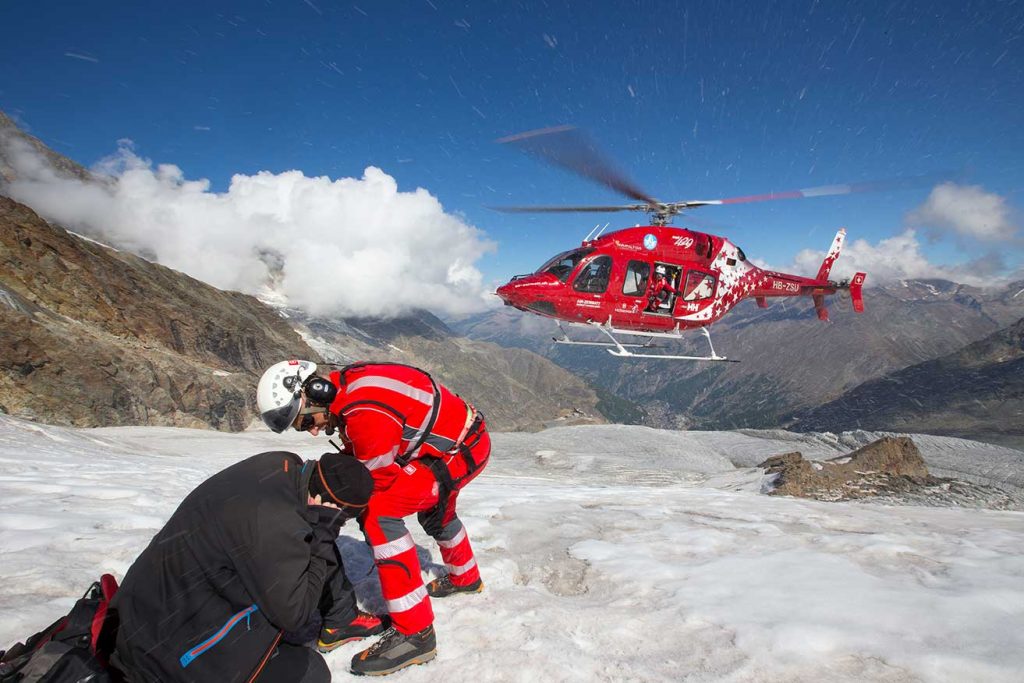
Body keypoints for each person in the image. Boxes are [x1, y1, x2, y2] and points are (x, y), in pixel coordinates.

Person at [256, 360, 490, 677]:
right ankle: (466, 578)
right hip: (461, 443)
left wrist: (328, 511)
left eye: (305, 422)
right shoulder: (347, 387)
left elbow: (373, 481)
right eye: (302, 428)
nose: (311, 431)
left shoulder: (365, 413)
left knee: (379, 513)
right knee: (437, 513)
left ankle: (415, 634)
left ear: (314, 394)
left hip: (457, 454)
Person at [110, 450, 386, 682]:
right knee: (310, 672)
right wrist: (325, 533)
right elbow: (295, 614)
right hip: (164, 656)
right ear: (333, 506)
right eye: (343, 518)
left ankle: (340, 618)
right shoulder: (278, 523)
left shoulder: (280, 466)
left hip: (142, 613)